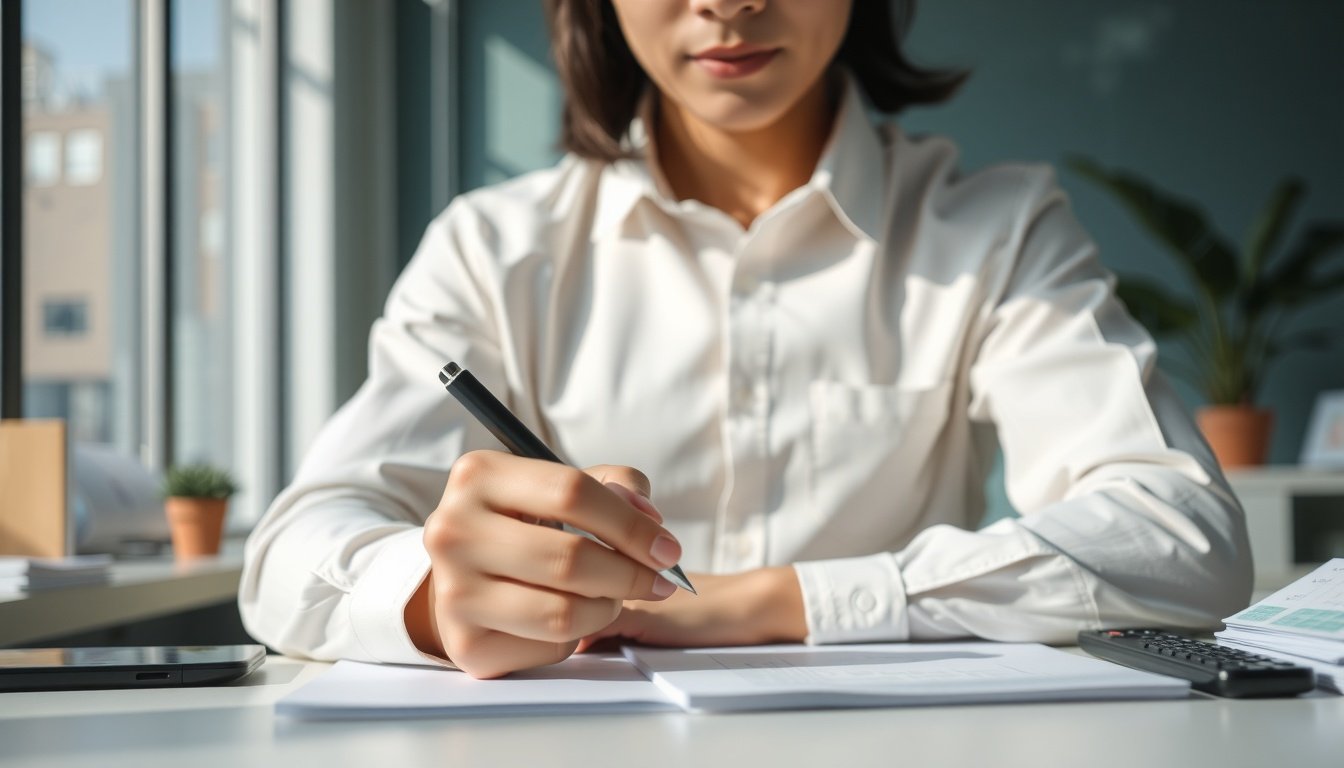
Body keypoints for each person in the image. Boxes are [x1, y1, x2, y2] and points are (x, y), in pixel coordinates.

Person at [239, 0, 1252, 679]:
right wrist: (430, 600)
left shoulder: (995, 227)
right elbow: (291, 554)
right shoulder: (492, 247)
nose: (728, 0)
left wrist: (774, 603)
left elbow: (1182, 538)